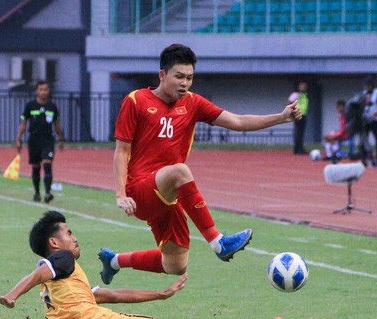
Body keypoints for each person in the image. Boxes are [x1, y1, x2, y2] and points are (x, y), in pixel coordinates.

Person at [99, 43, 301, 285]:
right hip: (140, 191)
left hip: (168, 195)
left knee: (175, 265)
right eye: (179, 76)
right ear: (162, 75)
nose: (185, 83)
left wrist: (280, 118)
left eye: (190, 77)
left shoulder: (193, 103)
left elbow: (237, 121)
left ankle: (113, 262)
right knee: (180, 171)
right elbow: (121, 152)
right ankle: (218, 243)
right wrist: (121, 195)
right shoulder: (136, 101)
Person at [0, 211, 284, 319]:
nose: (74, 237)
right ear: (54, 243)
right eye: (68, 233)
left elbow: (112, 295)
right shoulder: (60, 260)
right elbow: (38, 271)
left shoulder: (62, 285)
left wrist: (161, 293)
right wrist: (12, 295)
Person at [16, 80, 65, 203]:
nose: (43, 92)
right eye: (41, 89)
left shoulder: (52, 107)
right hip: (34, 139)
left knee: (47, 164)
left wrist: (61, 139)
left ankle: (48, 192)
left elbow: (57, 124)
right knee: (36, 166)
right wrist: (19, 139)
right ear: (37, 91)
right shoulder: (30, 106)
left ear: (48, 91)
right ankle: (37, 193)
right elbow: (23, 123)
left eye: (45, 89)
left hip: (47, 139)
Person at [361, 77, 377, 167]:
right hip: (365, 119)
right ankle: (364, 158)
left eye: (367, 86)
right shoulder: (364, 94)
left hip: (374, 120)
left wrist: (374, 114)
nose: (366, 87)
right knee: (364, 139)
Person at [288, 81, 309, 154]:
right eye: (302, 86)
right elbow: (289, 102)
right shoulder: (296, 94)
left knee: (301, 133)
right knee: (298, 132)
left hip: (304, 114)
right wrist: (292, 112)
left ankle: (299, 148)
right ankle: (298, 149)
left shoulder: (304, 95)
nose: (303, 87)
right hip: (298, 115)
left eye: (304, 86)